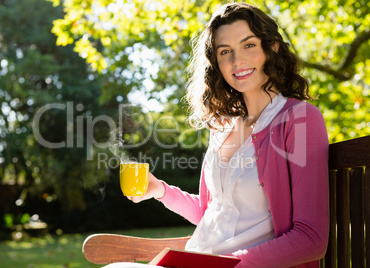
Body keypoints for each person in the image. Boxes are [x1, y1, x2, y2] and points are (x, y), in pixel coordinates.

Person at [107, 2, 329, 267]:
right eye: (226, 52)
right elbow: (212, 213)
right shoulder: (223, 127)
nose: (237, 61)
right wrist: (160, 191)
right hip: (197, 259)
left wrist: (228, 264)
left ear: (272, 47)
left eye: (248, 45)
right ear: (217, 64)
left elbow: (311, 239)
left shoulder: (299, 119)